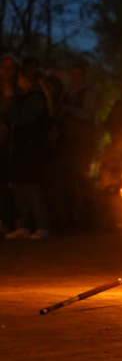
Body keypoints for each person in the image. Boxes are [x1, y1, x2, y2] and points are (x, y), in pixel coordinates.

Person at [5, 66, 51, 239]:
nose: (17, 82)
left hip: (32, 149)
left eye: (19, 78)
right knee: (17, 185)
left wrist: (9, 98)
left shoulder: (36, 98)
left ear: (25, 79)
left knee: (32, 187)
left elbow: (21, 119)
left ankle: (42, 226)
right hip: (20, 149)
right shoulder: (23, 97)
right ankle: (25, 225)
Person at [56, 63, 99, 226]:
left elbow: (89, 115)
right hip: (67, 143)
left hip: (82, 143)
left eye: (77, 75)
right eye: (72, 74)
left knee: (83, 180)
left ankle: (88, 218)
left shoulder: (88, 93)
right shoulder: (65, 94)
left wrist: (70, 110)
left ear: (83, 77)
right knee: (68, 180)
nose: (74, 78)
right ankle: (72, 216)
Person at [0, 56, 18, 232]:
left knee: (6, 182)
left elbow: (14, 114)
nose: (6, 71)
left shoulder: (17, 89)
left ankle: (7, 221)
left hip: (9, 144)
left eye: (10, 68)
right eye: (3, 67)